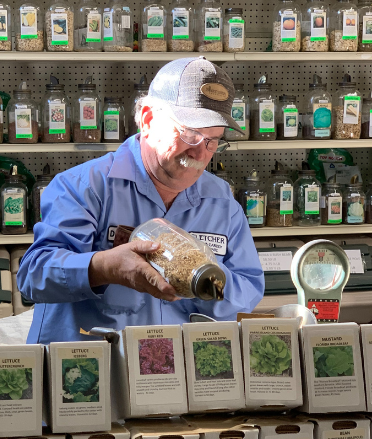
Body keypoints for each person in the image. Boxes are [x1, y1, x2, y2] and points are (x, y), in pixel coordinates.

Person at [18, 57, 265, 344]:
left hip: (176, 374)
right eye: (191, 134)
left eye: (213, 140)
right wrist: (104, 268)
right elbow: (33, 275)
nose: (201, 154)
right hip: (91, 373)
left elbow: (247, 289)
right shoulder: (84, 187)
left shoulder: (222, 203)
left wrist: (206, 284)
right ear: (147, 119)